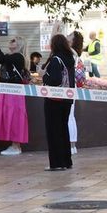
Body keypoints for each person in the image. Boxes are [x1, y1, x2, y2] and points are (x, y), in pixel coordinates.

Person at [0, 31, 30, 156]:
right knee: (7, 116)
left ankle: (16, 145)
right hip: (6, 90)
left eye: (14, 40)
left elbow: (0, 58)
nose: (11, 41)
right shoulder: (11, 57)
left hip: (13, 92)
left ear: (19, 45)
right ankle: (13, 144)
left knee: (14, 116)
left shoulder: (18, 57)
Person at [41, 33, 75, 171]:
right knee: (63, 129)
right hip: (67, 99)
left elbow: (54, 80)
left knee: (53, 130)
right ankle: (67, 161)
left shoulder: (56, 60)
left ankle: (56, 163)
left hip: (54, 100)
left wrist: (44, 75)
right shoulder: (70, 58)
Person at [68, 32, 88, 155]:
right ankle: (72, 145)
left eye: (70, 35)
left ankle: (71, 145)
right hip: (73, 87)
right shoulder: (76, 55)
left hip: (68, 87)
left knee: (68, 117)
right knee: (71, 116)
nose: (67, 36)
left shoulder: (69, 52)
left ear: (73, 40)